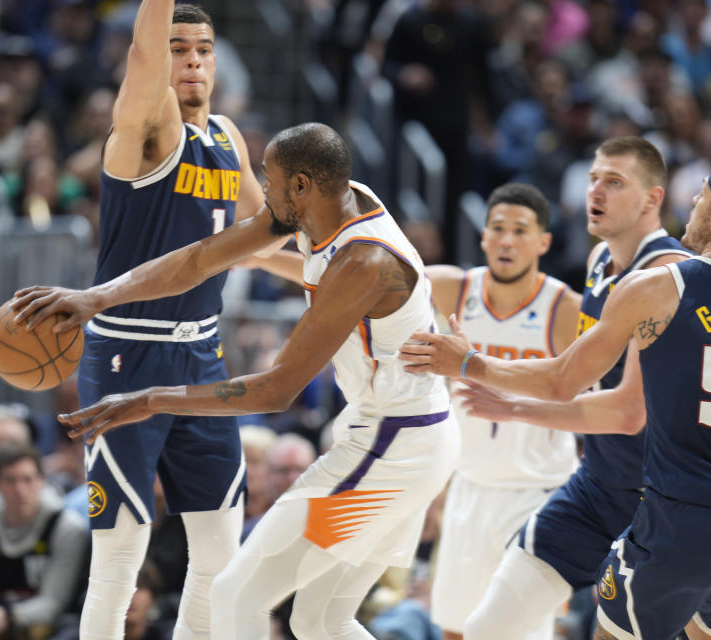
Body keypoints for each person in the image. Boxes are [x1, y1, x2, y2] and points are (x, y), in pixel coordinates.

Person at [13, 121, 459, 640]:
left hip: (393, 450)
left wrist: (153, 399)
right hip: (406, 440)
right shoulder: (336, 203)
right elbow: (201, 259)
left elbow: (275, 389)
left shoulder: (364, 261)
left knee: (236, 595)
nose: (261, 192)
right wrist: (98, 297)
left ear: (300, 186)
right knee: (320, 620)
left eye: (267, 180)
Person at [400, 156, 711, 639]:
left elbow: (562, 379)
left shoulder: (659, 287)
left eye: (702, 196)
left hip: (685, 518)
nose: (694, 203)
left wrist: (468, 364)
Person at [12, 3, 274, 638]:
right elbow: (143, 55)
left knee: (219, 555)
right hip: (128, 354)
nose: (190, 60)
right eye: (177, 47)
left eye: (203, 50)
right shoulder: (146, 127)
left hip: (203, 356)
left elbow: (262, 240)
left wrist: (326, 276)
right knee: (119, 560)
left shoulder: (228, 138)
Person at [247, 182, 582, 640]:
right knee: (454, 628)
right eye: (498, 228)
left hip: (536, 491)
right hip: (468, 487)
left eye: (520, 231)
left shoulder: (565, 309)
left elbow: (585, 396)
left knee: (521, 630)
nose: (507, 240)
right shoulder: (454, 287)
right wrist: (259, 256)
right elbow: (352, 277)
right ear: (482, 237)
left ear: (543, 242)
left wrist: (507, 395)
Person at [415, 137, 691, 639]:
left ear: (653, 199)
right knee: (480, 629)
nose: (596, 191)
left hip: (657, 495)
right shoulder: (599, 261)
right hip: (596, 482)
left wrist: (484, 375)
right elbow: (574, 375)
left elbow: (623, 410)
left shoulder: (664, 273)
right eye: (593, 179)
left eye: (614, 182)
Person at [0, 442, 89, 640]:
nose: (20, 490)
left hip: (46, 629)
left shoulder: (66, 527)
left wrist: (8, 616)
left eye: (27, 479)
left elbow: (54, 603)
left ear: (42, 481)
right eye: (10, 480)